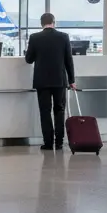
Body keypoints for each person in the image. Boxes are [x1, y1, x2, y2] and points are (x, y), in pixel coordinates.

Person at [24, 12, 75, 151]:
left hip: (42, 81)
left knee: (45, 112)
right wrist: (72, 80)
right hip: (59, 80)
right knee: (59, 110)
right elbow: (68, 60)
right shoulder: (64, 37)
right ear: (54, 22)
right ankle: (59, 142)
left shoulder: (35, 37)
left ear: (41, 23)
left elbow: (29, 59)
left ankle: (48, 142)